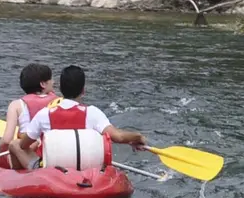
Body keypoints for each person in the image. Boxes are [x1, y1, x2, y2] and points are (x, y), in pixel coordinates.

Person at [8, 65, 147, 172]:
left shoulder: (45, 114)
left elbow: (23, 145)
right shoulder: (93, 113)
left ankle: (19, 176)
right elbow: (119, 137)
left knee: (14, 144)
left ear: (60, 89)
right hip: (87, 169)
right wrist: (137, 137)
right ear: (83, 90)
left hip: (51, 172)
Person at [0, 63, 59, 170]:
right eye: (51, 79)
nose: (53, 82)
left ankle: (18, 173)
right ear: (43, 84)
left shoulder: (16, 105)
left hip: (30, 156)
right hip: (57, 155)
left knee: (15, 144)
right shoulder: (59, 102)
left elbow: (6, 140)